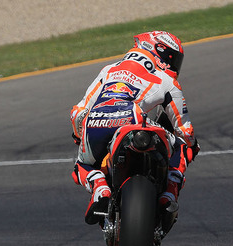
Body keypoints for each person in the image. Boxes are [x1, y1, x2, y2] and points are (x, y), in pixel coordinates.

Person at [69, 31, 200, 225]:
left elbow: (78, 113)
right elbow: (185, 130)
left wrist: (80, 137)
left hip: (96, 120)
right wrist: (192, 145)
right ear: (158, 51)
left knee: (82, 164)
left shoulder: (109, 70)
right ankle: (169, 194)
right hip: (132, 119)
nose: (174, 64)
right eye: (172, 57)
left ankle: (99, 189)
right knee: (184, 145)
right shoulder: (165, 79)